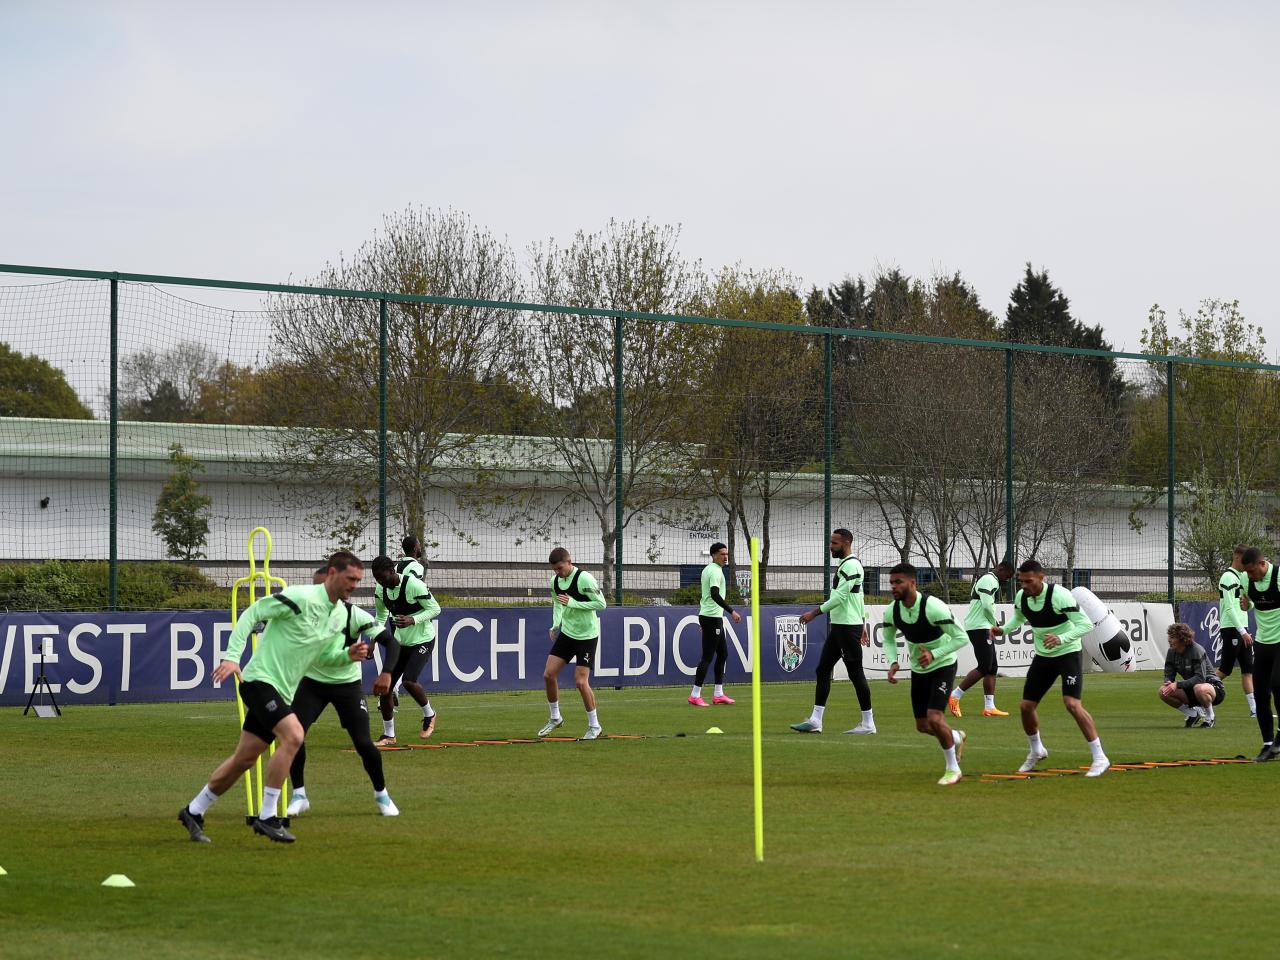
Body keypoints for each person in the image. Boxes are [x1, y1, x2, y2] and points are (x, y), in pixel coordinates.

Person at [177, 552, 382, 844]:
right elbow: (253, 613)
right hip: (259, 680)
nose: (354, 585)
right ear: (333, 573)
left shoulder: (339, 616)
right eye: (351, 579)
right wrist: (232, 657)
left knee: (243, 759)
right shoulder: (301, 597)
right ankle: (267, 816)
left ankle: (193, 811)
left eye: (358, 581)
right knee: (295, 735)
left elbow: (321, 656)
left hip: (281, 691)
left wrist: (346, 656)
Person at [286, 566, 401, 819]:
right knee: (293, 736)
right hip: (312, 683)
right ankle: (299, 795)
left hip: (347, 685)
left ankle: (382, 795)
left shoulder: (353, 614)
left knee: (363, 743)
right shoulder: (305, 611)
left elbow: (391, 643)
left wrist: (387, 673)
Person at [991, 559, 1110, 777]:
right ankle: (1036, 750)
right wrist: (1003, 630)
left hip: (1068, 653)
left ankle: (1100, 757)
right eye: (1021, 581)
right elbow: (1018, 618)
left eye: (1029, 581)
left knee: (1072, 704)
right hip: (1043, 657)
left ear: (1041, 577)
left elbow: (1085, 624)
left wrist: (1061, 638)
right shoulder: (1021, 597)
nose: (1024, 586)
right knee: (1026, 707)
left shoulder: (1060, 595)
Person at [881, 563, 970, 785]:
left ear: (913, 583)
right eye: (891, 582)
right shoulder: (892, 610)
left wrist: (934, 654)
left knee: (934, 717)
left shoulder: (934, 607)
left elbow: (962, 638)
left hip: (944, 664)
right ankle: (956, 737)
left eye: (898, 582)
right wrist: (892, 662)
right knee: (923, 726)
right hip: (918, 668)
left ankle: (953, 769)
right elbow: (889, 639)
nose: (893, 587)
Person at [789, 529, 876, 735]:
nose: (831, 546)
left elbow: (840, 598)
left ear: (846, 543)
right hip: (841, 627)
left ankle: (868, 723)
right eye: (831, 542)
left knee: (855, 673)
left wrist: (814, 612)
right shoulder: (845, 565)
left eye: (834, 543)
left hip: (847, 628)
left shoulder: (852, 565)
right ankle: (816, 720)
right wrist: (863, 624)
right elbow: (859, 597)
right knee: (822, 669)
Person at [371, 555, 442, 745]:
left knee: (410, 681)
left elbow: (435, 609)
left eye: (383, 578)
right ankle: (389, 735)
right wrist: (372, 641)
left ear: (392, 572)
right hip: (400, 642)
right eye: (377, 579)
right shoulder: (380, 590)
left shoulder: (414, 585)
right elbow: (380, 617)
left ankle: (430, 714)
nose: (381, 582)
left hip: (423, 640)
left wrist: (413, 619)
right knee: (385, 687)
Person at [540, 547, 606, 740]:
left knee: (580, 681)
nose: (558, 573)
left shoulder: (585, 579)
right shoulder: (555, 582)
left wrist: (574, 603)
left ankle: (595, 726)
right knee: (548, 674)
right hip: (568, 634)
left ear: (570, 562)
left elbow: (601, 604)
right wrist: (556, 624)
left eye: (560, 568)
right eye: (555, 570)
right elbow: (558, 604)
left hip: (587, 635)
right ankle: (555, 718)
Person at [949, 560, 1015, 718]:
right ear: (1000, 569)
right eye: (1007, 575)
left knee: (992, 667)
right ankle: (954, 695)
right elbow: (986, 605)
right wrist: (995, 623)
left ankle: (989, 707)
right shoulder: (989, 579)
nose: (1007, 579)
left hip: (983, 626)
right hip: (979, 626)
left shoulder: (992, 581)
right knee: (985, 666)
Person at [688, 542, 742, 707]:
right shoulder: (714, 571)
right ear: (713, 555)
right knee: (707, 657)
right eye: (722, 554)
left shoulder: (712, 570)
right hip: (711, 617)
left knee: (723, 654)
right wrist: (731, 611)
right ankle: (695, 694)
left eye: (726, 554)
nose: (725, 557)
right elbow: (714, 594)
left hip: (711, 617)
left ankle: (718, 694)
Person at [1241, 548, 1280, 761]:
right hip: (1263, 642)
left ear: (1262, 563)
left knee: (1278, 684)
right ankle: (1268, 744)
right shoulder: (1247, 582)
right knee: (1260, 694)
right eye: (1246, 572)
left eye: (1252, 571)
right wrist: (1247, 604)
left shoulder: (1279, 576)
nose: (1249, 576)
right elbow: (1250, 601)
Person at [1159, 622, 1225, 727]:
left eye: (1172, 637)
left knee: (1200, 688)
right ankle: (1193, 714)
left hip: (1212, 687)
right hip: (1192, 688)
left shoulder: (1196, 650)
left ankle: (1210, 717)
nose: (1169, 640)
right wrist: (1168, 682)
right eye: (1169, 636)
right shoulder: (1171, 652)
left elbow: (1200, 678)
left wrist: (1177, 684)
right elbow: (1169, 673)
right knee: (1163, 691)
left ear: (1182, 639)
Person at [1217, 544, 1256, 718]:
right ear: (1237, 558)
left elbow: (1249, 601)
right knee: (1225, 670)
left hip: (1242, 629)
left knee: (1248, 669)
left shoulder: (1242, 576)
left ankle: (1255, 709)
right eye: (1245, 561)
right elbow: (1229, 609)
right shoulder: (1227, 577)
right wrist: (1242, 631)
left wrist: (1250, 605)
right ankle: (1198, 693)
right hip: (1232, 629)